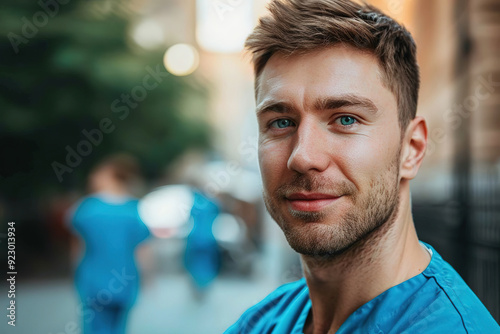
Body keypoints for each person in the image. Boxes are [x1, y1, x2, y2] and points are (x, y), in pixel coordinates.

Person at [225, 0, 500, 333]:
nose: (303, 156)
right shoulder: (262, 322)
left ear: (411, 149)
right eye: (281, 122)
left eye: (345, 119)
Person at [67, 154, 150, 334]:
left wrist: (75, 273)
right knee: (119, 326)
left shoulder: (86, 208)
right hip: (125, 279)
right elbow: (142, 249)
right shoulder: (134, 208)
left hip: (94, 279)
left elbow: (77, 247)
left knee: (95, 326)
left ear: (110, 176)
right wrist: (147, 276)